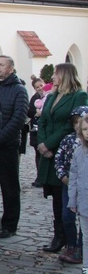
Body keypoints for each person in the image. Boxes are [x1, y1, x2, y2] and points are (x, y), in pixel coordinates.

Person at [37, 63, 88, 253]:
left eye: (56, 74)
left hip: (65, 151)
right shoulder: (52, 96)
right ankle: (59, 235)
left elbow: (73, 124)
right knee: (56, 197)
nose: (53, 78)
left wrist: (49, 143)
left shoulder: (78, 96)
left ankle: (72, 239)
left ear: (65, 75)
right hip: (49, 155)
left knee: (66, 195)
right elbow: (42, 120)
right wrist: (42, 144)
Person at [0, 56, 28, 238]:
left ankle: (10, 224)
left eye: (2, 65)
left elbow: (18, 118)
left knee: (10, 187)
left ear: (11, 69)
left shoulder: (19, 90)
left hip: (8, 146)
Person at [55, 106, 88, 264]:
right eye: (75, 123)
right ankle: (71, 244)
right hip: (69, 184)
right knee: (67, 216)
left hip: (84, 187)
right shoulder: (68, 140)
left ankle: (81, 248)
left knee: (84, 218)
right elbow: (59, 159)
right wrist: (63, 176)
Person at [67, 116, 88, 274]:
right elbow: (73, 176)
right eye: (85, 130)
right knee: (86, 240)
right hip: (84, 204)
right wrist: (73, 199)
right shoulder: (79, 151)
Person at [27, 76, 47, 187]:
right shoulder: (34, 98)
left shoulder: (49, 96)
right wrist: (35, 111)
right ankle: (39, 176)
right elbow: (29, 112)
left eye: (41, 85)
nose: (40, 88)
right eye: (37, 87)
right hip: (35, 129)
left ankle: (45, 177)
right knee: (37, 154)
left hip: (44, 130)